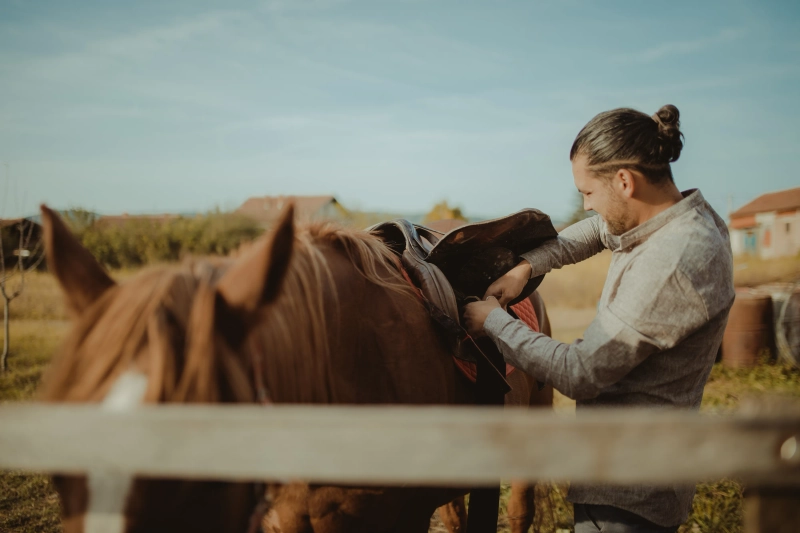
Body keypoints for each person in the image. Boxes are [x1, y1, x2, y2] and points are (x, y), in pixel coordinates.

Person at [463, 105, 735, 533]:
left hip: (628, 491)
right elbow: (595, 233)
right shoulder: (669, 218)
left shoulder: (674, 262)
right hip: (626, 470)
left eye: (588, 193)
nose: (587, 206)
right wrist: (526, 268)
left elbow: (580, 373)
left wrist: (493, 321)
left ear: (624, 181)